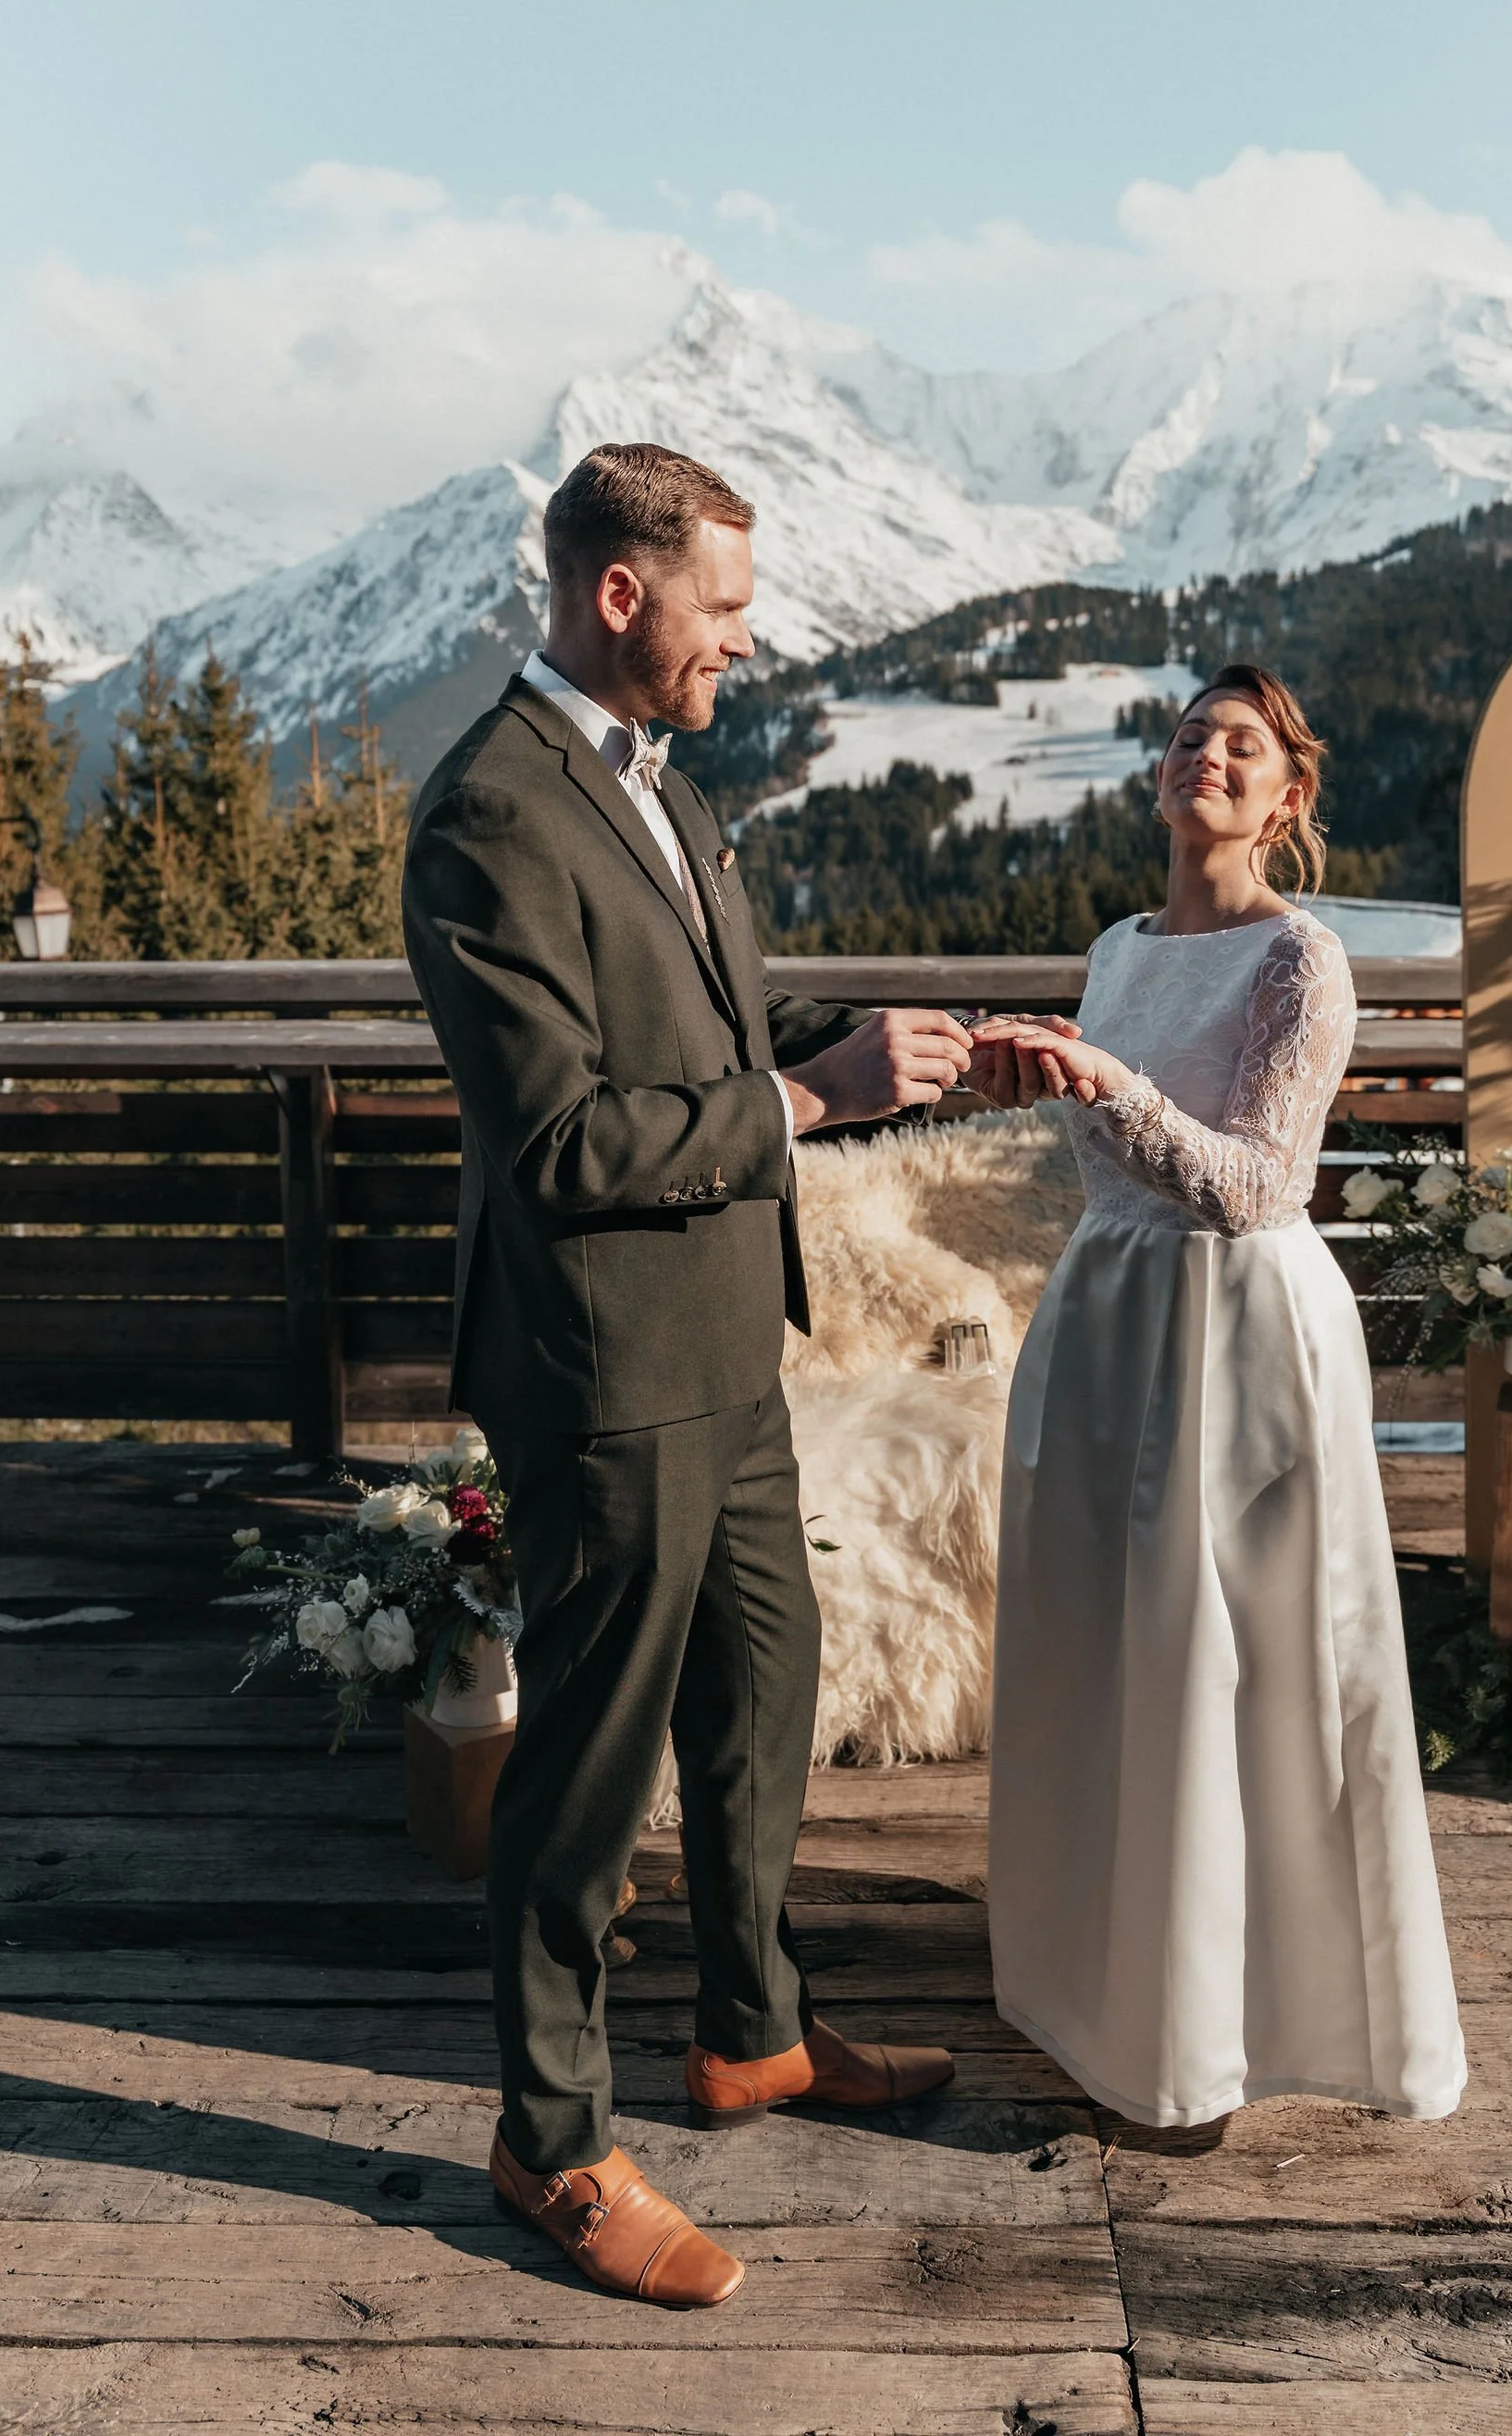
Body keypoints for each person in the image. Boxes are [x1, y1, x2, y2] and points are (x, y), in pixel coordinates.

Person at [403, 443, 968, 2308]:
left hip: (726, 1348)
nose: (749, 637)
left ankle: (753, 2031)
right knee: (586, 1756)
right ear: (621, 597)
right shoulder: (490, 811)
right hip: (600, 1363)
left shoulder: (658, 783)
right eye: (723, 606)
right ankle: (548, 2144)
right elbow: (558, 1138)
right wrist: (813, 1100)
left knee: (762, 1687)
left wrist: (900, 1047)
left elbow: (714, 1033)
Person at [968, 664, 1464, 2147]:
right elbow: (1108, 1150)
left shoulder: (1301, 962)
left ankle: (1235, 2030)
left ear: (1288, 797)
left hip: (1236, 1329)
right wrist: (1041, 1073)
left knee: (1243, 1653)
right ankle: (1103, 1983)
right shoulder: (1119, 945)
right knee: (1109, 1641)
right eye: (1190, 735)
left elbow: (1257, 1185)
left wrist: (1103, 1079)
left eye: (1242, 745)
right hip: (1110, 1309)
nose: (1208, 756)